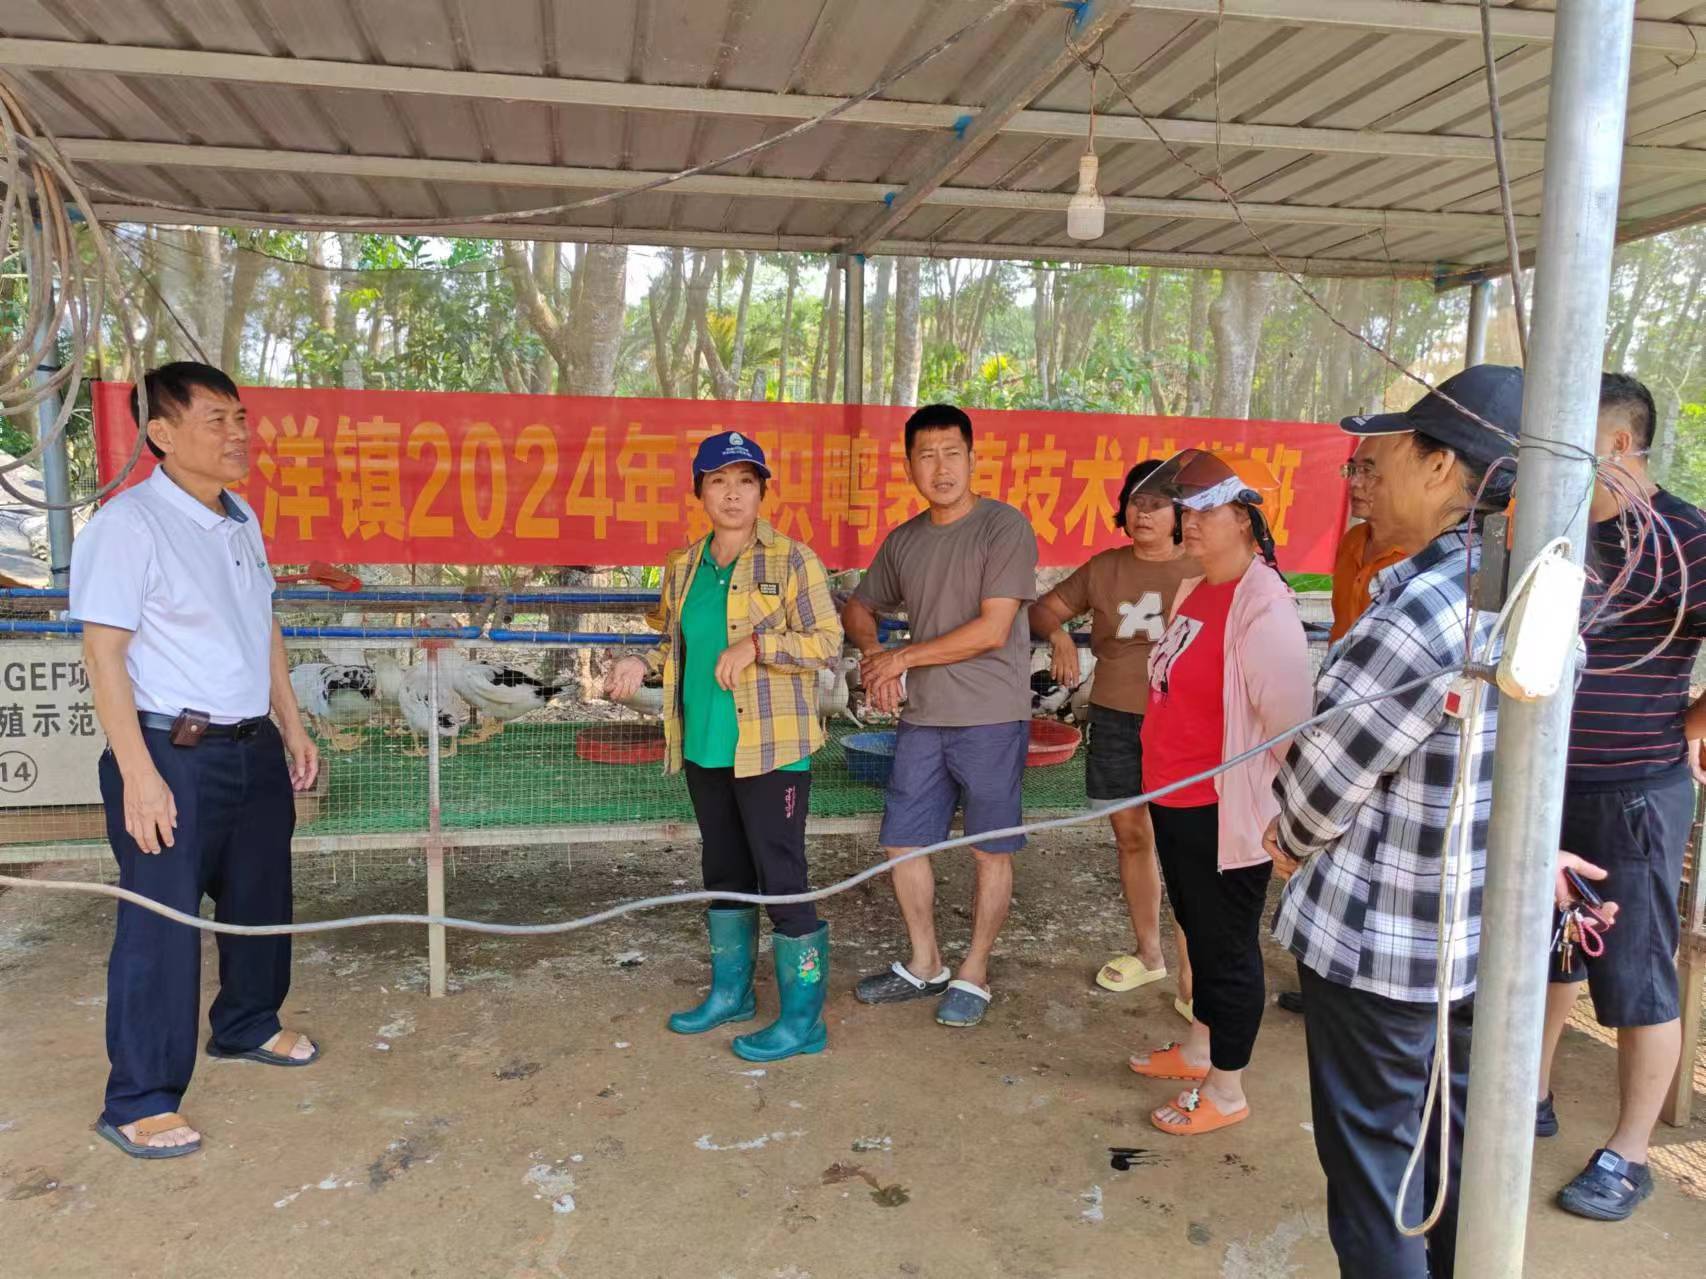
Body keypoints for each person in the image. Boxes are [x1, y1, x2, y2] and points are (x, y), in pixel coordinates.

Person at [1263, 365, 1613, 1277]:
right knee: (1457, 1151)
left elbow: (1324, 774)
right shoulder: (1540, 594)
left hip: (1382, 945)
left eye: (1376, 464)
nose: (1362, 484)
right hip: (1477, 939)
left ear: (1444, 467)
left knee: (1380, 1176)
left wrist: (1288, 838)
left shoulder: (1426, 606)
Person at [68, 362, 321, 1160]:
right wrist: (136, 770)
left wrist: (292, 719)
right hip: (169, 754)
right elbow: (103, 654)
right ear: (161, 434)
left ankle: (247, 1024)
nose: (238, 433)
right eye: (216, 419)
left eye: (240, 417)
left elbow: (264, 626)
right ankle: (139, 1095)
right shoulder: (128, 524)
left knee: (260, 900)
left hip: (250, 745)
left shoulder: (239, 518)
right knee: (162, 923)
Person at [605, 431, 842, 1063]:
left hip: (772, 748)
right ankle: (731, 994)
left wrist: (759, 646)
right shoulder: (684, 565)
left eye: (745, 481)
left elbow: (827, 642)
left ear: (763, 491)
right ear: (700, 493)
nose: (732, 494)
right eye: (718, 481)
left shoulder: (794, 561)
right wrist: (638, 661)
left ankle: (802, 1020)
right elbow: (673, 644)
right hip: (705, 744)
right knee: (724, 871)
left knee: (782, 875)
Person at [1535, 372, 1706, 1221]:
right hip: (1541, 784)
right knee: (1544, 951)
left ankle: (1629, 1150)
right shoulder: (1551, 527)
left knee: (1635, 971)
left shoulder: (1687, 537)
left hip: (1634, 787)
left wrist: (1695, 720)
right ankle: (1528, 1092)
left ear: (1616, 445)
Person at [1124, 450, 1312, 1136]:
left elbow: (1290, 726)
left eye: (1204, 513)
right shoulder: (1195, 589)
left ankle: (1227, 1090)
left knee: (1228, 944)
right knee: (1199, 932)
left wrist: (1286, 820)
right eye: (1188, 512)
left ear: (1243, 519)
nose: (1189, 524)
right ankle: (1198, 1049)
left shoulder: (1263, 604)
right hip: (1175, 797)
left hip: (1222, 808)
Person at [843, 404, 1038, 1029]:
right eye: (926, 456)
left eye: (952, 453)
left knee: (989, 849)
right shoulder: (904, 541)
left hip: (990, 715)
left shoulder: (1003, 527)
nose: (941, 467)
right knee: (903, 840)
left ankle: (974, 970)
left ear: (973, 458)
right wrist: (875, 655)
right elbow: (858, 607)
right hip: (923, 716)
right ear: (909, 467)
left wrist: (901, 658)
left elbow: (993, 628)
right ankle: (924, 962)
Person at [1028, 459, 1198, 1013]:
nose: (1143, 512)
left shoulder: (1205, 568)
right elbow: (1041, 610)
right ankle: (1150, 956)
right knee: (1132, 836)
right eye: (1135, 502)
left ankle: (1197, 978)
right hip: (1117, 718)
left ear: (1180, 514)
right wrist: (1057, 637)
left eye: (1157, 503)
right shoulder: (1105, 568)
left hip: (1186, 722)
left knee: (1188, 843)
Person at [1275, 427, 1432, 1017]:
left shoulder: (1426, 575)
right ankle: (1317, 969)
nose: (1360, 486)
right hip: (1344, 704)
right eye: (1354, 472)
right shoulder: (1353, 546)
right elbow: (1345, 633)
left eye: (1373, 472)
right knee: (1325, 851)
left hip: (1385, 724)